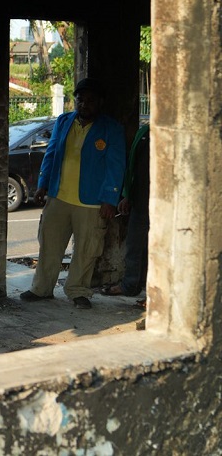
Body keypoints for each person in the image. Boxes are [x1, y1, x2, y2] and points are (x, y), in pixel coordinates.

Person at [20, 78, 126, 309]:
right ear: (74, 100)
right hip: (58, 196)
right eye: (80, 99)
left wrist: (110, 199)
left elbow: (115, 166)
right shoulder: (64, 121)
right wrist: (43, 183)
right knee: (49, 244)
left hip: (91, 201)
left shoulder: (112, 129)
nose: (84, 104)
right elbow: (51, 153)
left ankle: (78, 290)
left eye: (90, 100)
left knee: (87, 249)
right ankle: (41, 288)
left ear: (100, 103)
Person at [100, 121, 150, 298]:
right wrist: (127, 195)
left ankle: (156, 289)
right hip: (141, 201)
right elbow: (132, 168)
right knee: (134, 246)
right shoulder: (144, 132)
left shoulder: (175, 134)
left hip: (167, 203)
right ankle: (131, 285)